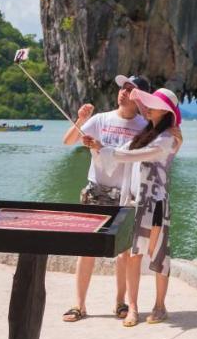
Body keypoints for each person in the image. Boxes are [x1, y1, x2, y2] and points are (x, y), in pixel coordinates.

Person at [84, 86, 182, 328]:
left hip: (155, 202)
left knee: (158, 254)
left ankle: (160, 305)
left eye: (153, 105)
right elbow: (124, 151)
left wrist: (107, 151)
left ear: (165, 111)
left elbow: (135, 156)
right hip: (134, 200)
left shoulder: (168, 138)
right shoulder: (145, 134)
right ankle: (133, 308)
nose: (147, 108)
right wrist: (98, 146)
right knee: (134, 255)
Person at [59, 74, 150, 322]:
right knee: (86, 250)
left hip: (125, 195)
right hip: (95, 190)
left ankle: (120, 303)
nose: (123, 91)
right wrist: (81, 120)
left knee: (123, 253)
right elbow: (67, 141)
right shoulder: (100, 120)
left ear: (139, 98)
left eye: (130, 89)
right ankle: (79, 304)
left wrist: (102, 147)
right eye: (123, 87)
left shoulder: (144, 127)